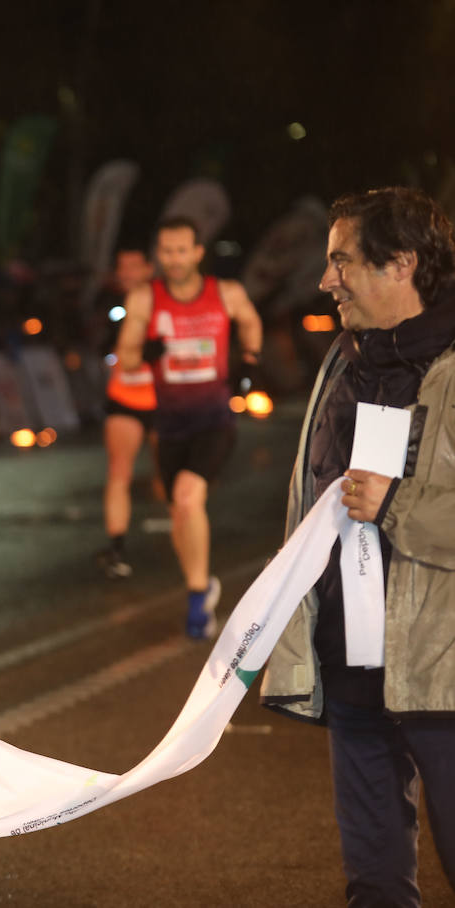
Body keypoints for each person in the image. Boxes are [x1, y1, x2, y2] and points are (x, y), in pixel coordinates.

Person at [261, 186, 455, 906]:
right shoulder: (343, 361)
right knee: (373, 884)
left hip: (442, 669)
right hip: (353, 660)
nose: (325, 280)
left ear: (400, 263)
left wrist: (398, 503)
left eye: (342, 261)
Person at [114, 216, 262, 637]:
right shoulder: (146, 298)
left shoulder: (225, 293)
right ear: (159, 254)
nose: (174, 259)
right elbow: (125, 359)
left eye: (182, 250)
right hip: (170, 425)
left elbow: (250, 321)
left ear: (198, 252)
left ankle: (197, 599)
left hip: (214, 419)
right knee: (180, 513)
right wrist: (146, 351)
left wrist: (250, 359)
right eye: (167, 251)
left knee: (187, 495)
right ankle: (202, 583)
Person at [95, 247, 158, 578]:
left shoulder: (166, 301)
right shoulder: (111, 306)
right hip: (125, 398)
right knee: (119, 472)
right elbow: (101, 345)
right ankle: (116, 547)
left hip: (164, 401)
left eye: (134, 266)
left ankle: (185, 538)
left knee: (173, 478)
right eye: (122, 267)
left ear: (148, 268)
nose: (127, 272)